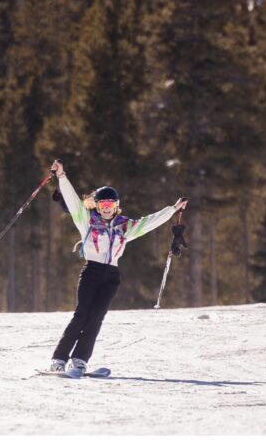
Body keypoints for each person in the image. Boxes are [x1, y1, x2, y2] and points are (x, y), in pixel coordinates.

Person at [47, 159, 188, 374]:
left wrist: (173, 209)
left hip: (111, 277)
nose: (106, 209)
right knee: (82, 315)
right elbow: (73, 200)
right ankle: (59, 359)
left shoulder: (125, 227)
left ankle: (80, 359)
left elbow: (149, 222)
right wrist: (62, 176)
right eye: (102, 205)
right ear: (96, 205)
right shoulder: (86, 221)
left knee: (96, 318)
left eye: (110, 205)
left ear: (116, 206)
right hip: (91, 272)